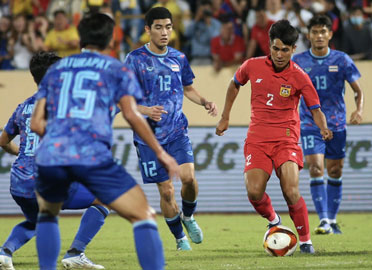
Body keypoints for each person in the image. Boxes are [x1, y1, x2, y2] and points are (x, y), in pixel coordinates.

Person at [29, 13, 180, 270]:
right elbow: (132, 115)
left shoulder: (56, 70)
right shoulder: (116, 69)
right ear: (111, 39)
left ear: (80, 38)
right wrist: (161, 153)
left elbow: (35, 123)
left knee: (47, 214)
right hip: (91, 155)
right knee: (143, 215)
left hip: (51, 155)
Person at [216, 19, 333, 254]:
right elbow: (234, 84)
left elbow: (315, 108)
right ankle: (273, 219)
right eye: (275, 48)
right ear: (269, 45)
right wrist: (225, 116)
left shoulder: (300, 77)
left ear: (293, 49)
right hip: (258, 139)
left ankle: (306, 241)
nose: (279, 54)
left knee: (290, 190)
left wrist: (323, 127)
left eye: (285, 50)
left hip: (286, 139)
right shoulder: (252, 65)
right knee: (254, 191)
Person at [0, 51, 110, 270]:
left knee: (35, 221)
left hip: (20, 183)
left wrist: (21, 153)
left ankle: (4, 254)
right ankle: (75, 253)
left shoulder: (23, 107)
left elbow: (3, 141)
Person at [125, 7, 217, 251]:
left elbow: (188, 89)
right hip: (148, 138)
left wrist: (205, 100)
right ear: (147, 30)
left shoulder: (179, 57)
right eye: (158, 27)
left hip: (177, 131)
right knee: (166, 192)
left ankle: (188, 216)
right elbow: (122, 98)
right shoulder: (134, 59)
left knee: (189, 178)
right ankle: (180, 238)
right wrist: (146, 110)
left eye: (168, 26)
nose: (164, 32)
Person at [292, 15, 364, 234]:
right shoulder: (298, 62)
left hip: (336, 124)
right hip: (309, 123)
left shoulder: (341, 60)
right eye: (315, 32)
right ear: (309, 35)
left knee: (335, 170)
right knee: (315, 167)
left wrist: (358, 110)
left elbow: (358, 91)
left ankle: (332, 220)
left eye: (323, 31)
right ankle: (323, 220)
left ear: (330, 34)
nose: (319, 36)